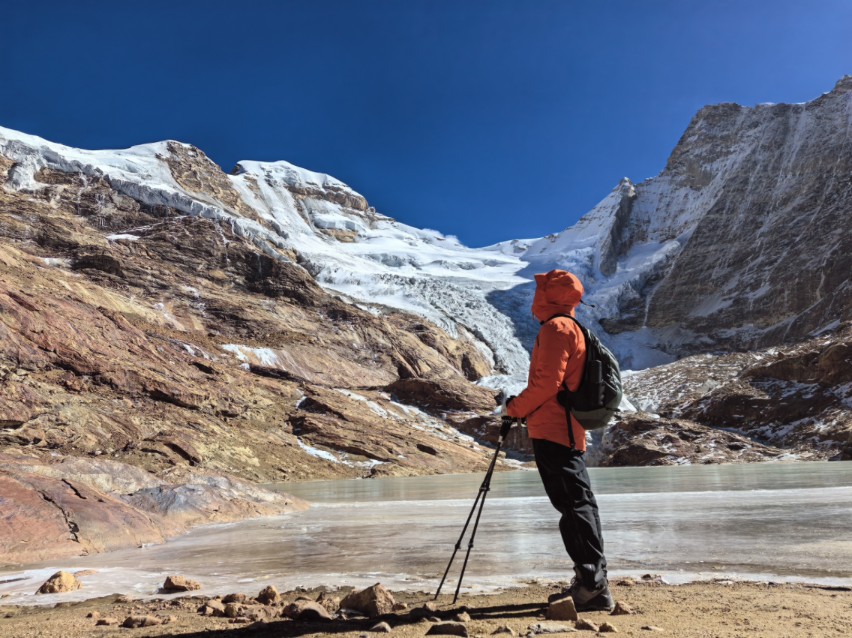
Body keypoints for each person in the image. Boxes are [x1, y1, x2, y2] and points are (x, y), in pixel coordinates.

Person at [503, 269, 613, 611]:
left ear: (549, 295)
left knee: (573, 507)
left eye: (540, 291)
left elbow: (546, 385)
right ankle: (593, 582)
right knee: (580, 505)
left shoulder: (556, 328)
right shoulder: (572, 327)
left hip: (554, 430)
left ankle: (591, 585)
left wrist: (513, 409)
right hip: (567, 430)